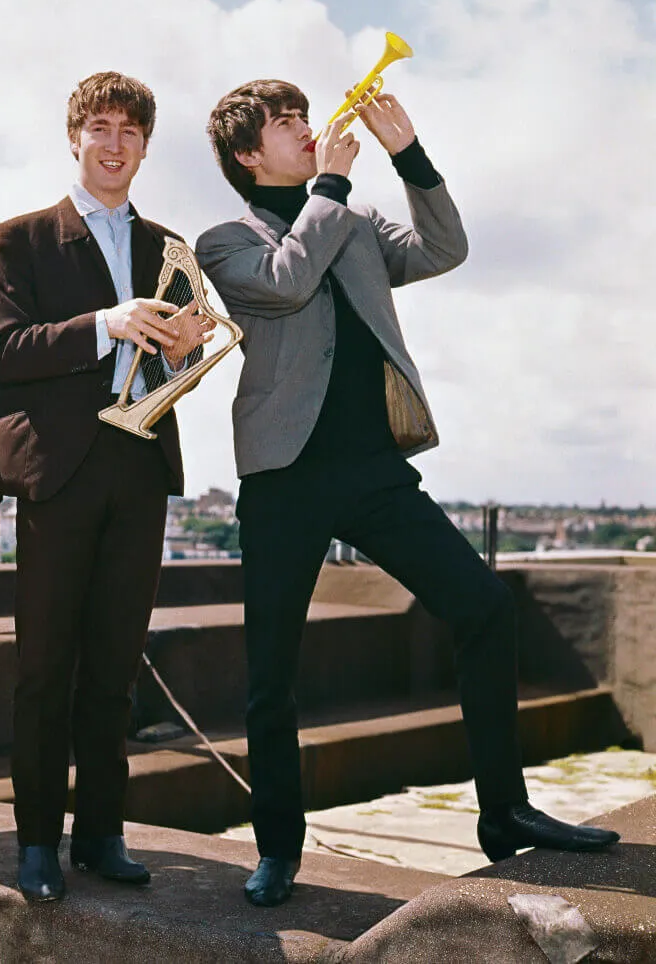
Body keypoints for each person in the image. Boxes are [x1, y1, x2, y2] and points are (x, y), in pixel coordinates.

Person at [196, 80, 620, 907]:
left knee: (484, 606)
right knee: (269, 674)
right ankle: (278, 847)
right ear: (249, 155)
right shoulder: (224, 241)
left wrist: (409, 157)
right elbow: (285, 282)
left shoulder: (350, 219)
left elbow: (442, 249)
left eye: (303, 117)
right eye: (288, 125)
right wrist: (330, 186)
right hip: (283, 477)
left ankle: (505, 814)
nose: (310, 130)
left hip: (373, 469)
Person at [0, 71, 214, 902]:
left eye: (130, 131)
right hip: (60, 474)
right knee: (44, 669)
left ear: (146, 146)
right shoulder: (19, 240)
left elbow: (179, 362)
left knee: (115, 666)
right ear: (74, 136)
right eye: (101, 127)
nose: (114, 143)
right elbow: (3, 352)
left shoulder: (168, 245)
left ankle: (102, 835)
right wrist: (102, 326)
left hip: (140, 468)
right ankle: (37, 841)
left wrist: (186, 350)